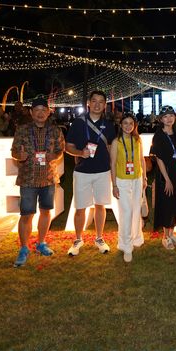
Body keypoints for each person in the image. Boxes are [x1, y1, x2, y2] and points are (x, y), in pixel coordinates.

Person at [10, 96, 65, 267]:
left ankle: (41, 243)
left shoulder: (55, 130)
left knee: (46, 211)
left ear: (48, 112)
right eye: (37, 110)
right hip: (28, 178)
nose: (40, 113)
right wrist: (19, 155)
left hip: (48, 178)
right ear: (31, 112)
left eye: (43, 110)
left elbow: (60, 150)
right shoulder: (22, 130)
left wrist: (54, 155)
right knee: (26, 214)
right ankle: (24, 248)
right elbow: (14, 151)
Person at [65, 91, 116, 256]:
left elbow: (112, 148)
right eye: (94, 101)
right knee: (80, 207)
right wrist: (80, 153)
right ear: (89, 103)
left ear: (105, 105)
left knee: (100, 205)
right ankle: (78, 239)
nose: (97, 104)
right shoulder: (78, 123)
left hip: (103, 171)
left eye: (101, 102)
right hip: (82, 171)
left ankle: (99, 238)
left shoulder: (109, 125)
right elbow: (68, 147)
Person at [109, 112, 146, 263]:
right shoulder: (116, 142)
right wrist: (114, 184)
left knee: (136, 209)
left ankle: (136, 237)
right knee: (126, 212)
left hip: (137, 179)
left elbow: (141, 159)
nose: (128, 126)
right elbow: (112, 164)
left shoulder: (137, 140)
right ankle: (125, 245)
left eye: (131, 123)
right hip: (122, 180)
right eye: (125, 123)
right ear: (120, 125)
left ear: (134, 125)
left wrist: (144, 177)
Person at [150, 105, 176, 250]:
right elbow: (159, 159)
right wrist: (167, 180)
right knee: (166, 204)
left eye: (171, 115)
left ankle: (172, 233)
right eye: (165, 116)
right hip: (165, 175)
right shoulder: (158, 136)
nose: (169, 118)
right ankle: (165, 237)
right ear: (161, 119)